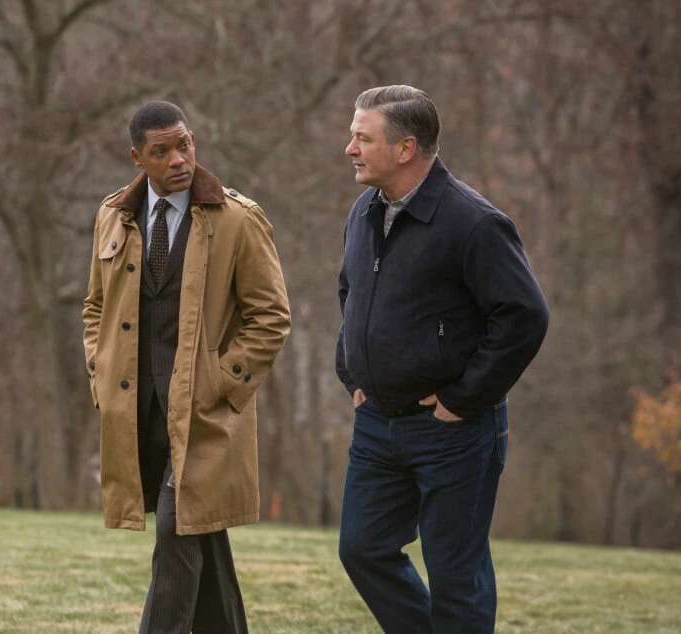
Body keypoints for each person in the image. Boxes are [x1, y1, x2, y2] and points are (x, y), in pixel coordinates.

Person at [335, 85, 549, 633]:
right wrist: (351, 372)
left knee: (457, 578)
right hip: (377, 423)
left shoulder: (474, 222)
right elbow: (350, 292)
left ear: (405, 148)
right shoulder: (365, 210)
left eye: (363, 138)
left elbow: (524, 316)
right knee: (362, 549)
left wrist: (463, 398)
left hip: (454, 430)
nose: (350, 149)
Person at [82, 101, 290, 634]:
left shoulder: (238, 219)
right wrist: (100, 370)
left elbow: (271, 317)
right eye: (161, 151)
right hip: (136, 411)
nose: (178, 159)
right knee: (200, 530)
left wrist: (222, 382)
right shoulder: (113, 216)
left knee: (177, 532)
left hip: (203, 414)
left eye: (185, 144)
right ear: (137, 158)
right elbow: (95, 307)